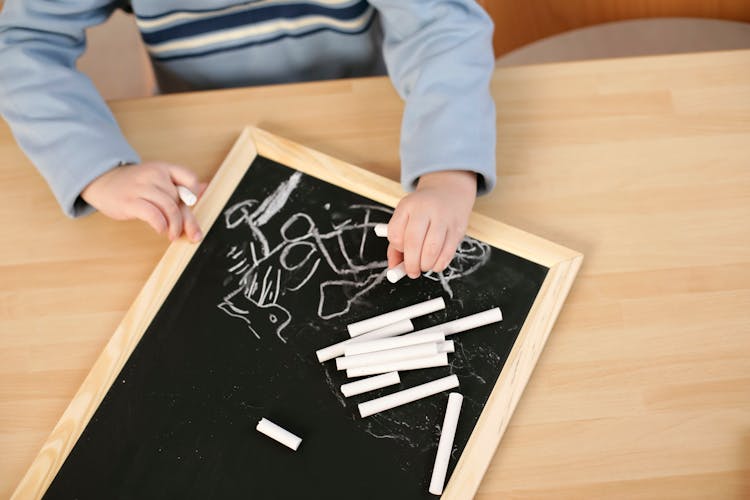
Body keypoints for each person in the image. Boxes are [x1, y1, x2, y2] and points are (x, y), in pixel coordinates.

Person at [0, 0, 496, 279]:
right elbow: (22, 46)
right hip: (202, 134)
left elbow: (443, 28)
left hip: (358, 115)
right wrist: (98, 170)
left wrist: (448, 171)